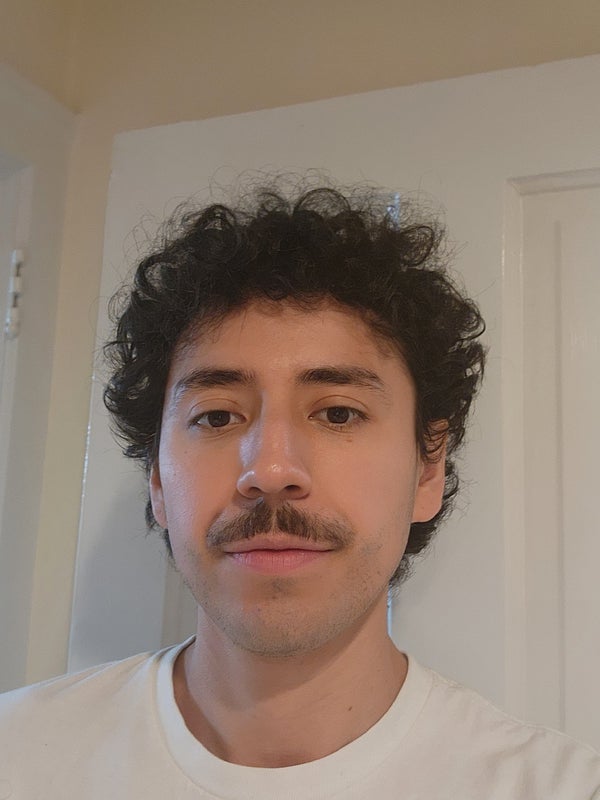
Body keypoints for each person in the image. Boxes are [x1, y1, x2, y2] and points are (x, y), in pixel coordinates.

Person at [1, 178, 599, 799]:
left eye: (338, 413)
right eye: (217, 416)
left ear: (428, 470)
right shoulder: (16, 759)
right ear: (156, 477)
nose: (271, 469)